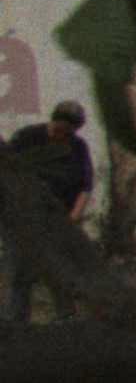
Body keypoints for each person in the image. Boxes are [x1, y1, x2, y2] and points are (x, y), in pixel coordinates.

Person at [3, 99, 92, 320]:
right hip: (23, 220)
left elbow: (85, 186)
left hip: (58, 220)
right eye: (59, 130)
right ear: (52, 121)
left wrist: (72, 218)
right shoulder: (26, 138)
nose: (61, 136)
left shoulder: (78, 147)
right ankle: (17, 324)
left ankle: (66, 321)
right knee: (20, 274)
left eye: (68, 133)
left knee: (60, 274)